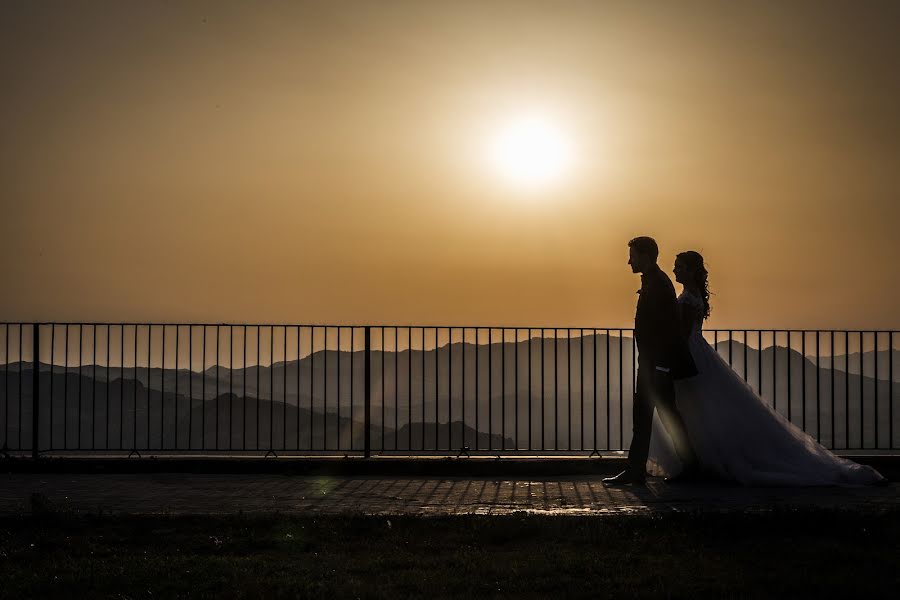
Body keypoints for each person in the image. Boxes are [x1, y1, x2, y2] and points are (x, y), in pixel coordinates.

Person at [646, 250, 886, 486]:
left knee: (690, 409)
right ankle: (699, 462)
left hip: (689, 354)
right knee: (699, 410)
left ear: (690, 270)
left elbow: (683, 333)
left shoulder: (688, 297)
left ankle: (696, 463)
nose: (675, 269)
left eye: (679, 265)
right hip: (700, 352)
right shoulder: (692, 294)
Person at [603, 236, 703, 485]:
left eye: (633, 256)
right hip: (651, 364)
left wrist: (660, 367)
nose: (629, 261)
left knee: (657, 417)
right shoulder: (655, 282)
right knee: (652, 417)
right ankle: (644, 469)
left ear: (646, 256)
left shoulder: (658, 284)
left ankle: (645, 470)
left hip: (655, 366)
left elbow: (667, 330)